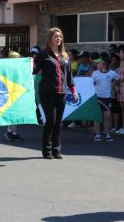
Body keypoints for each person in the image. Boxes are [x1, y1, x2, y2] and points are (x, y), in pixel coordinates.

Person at [37, 27, 78, 159]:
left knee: (59, 122)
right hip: (47, 92)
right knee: (51, 120)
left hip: (61, 93)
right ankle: (47, 150)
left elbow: (69, 76)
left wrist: (73, 90)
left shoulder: (65, 56)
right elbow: (32, 69)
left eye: (60, 37)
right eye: (55, 36)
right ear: (50, 38)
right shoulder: (43, 54)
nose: (58, 39)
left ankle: (56, 149)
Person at [91, 58, 120, 142]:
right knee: (97, 116)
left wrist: (114, 84)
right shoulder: (95, 73)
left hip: (107, 98)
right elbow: (90, 83)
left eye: (98, 63)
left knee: (107, 116)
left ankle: (107, 134)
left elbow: (118, 78)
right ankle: (97, 134)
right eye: (96, 64)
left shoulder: (112, 73)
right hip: (97, 97)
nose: (96, 65)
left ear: (104, 64)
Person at [3, 51, 24, 142]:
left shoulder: (19, 68)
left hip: (18, 92)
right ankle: (9, 132)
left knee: (16, 114)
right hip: (9, 93)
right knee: (12, 113)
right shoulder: (7, 68)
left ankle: (14, 133)